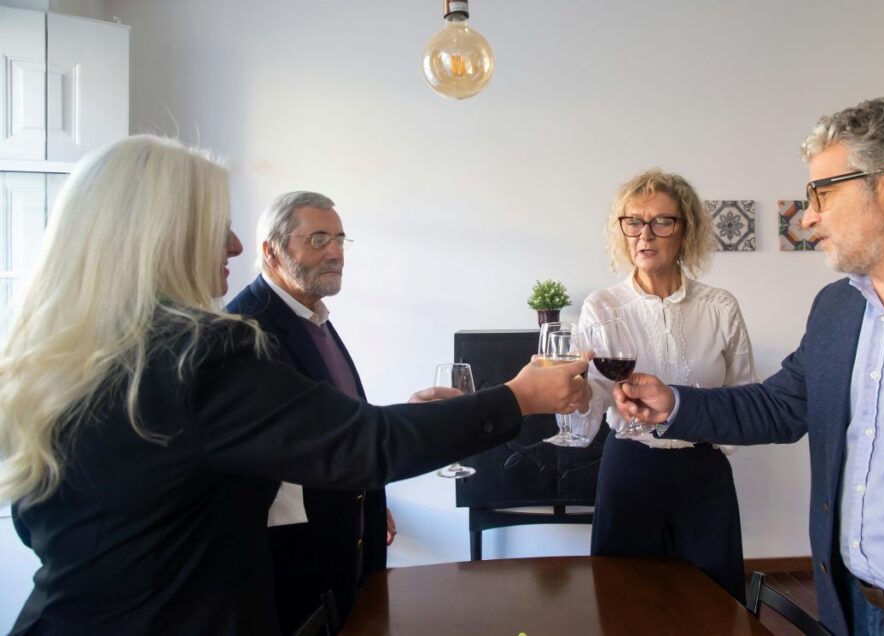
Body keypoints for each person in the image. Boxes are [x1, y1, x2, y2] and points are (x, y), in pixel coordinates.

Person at [0, 135, 588, 635]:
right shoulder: (201, 352)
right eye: (218, 224)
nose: (232, 244)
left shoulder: (60, 356)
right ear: (157, 234)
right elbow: (365, 443)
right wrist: (521, 396)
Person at [614, 98, 884, 636]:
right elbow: (780, 405)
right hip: (849, 608)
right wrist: (676, 402)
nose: (807, 217)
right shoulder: (837, 307)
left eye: (822, 193)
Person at [573, 169, 756, 601]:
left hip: (702, 472)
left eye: (662, 222)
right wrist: (572, 388)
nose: (645, 235)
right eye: (633, 222)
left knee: (716, 603)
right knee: (623, 602)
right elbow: (592, 402)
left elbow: (747, 400)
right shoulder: (602, 307)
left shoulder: (720, 307)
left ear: (685, 230)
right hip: (631, 468)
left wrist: (706, 433)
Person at [228, 191, 402, 631]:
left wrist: (367, 499)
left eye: (341, 240)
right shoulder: (247, 328)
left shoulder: (313, 317)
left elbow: (336, 423)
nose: (336, 253)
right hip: (295, 564)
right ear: (272, 250)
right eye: (319, 239)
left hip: (345, 540)